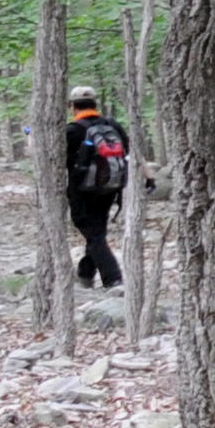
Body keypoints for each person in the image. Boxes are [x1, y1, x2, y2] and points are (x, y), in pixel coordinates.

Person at [63, 86, 128, 289]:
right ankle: (85, 273)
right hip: (110, 187)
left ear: (72, 107)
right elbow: (129, 152)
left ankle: (113, 278)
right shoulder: (113, 126)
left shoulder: (72, 131)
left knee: (94, 234)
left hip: (81, 191)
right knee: (97, 231)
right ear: (95, 104)